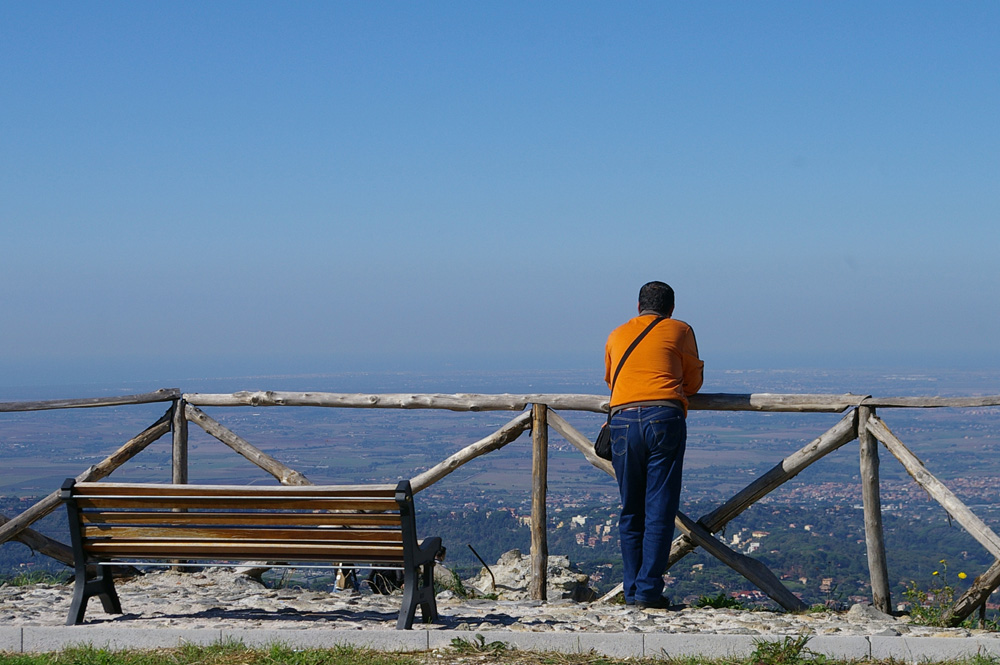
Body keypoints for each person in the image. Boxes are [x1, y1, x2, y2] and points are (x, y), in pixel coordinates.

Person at [604, 281, 703, 609]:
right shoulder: (681, 329)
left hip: (621, 421)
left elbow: (611, 378)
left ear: (637, 306)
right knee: (659, 508)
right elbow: (694, 382)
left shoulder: (617, 334)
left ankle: (631, 590)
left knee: (630, 508)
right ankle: (647, 592)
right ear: (671, 308)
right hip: (664, 417)